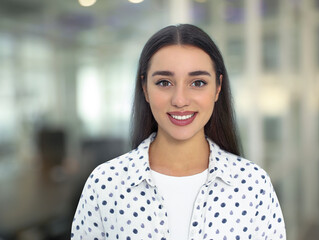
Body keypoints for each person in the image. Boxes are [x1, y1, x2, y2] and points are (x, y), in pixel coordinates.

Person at [71, 24, 286, 240]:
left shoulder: (253, 184)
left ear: (218, 88)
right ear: (145, 88)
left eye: (198, 82)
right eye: (164, 82)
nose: (180, 100)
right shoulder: (105, 184)